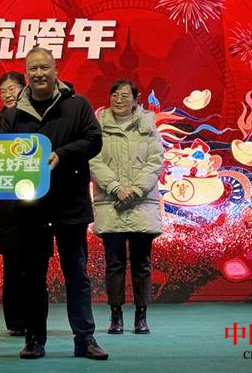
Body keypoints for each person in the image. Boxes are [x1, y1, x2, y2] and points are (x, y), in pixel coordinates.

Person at [0, 48, 108, 360]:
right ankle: (34, 340)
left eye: (44, 68)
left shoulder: (77, 105)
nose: (39, 74)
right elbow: (0, 155)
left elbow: (94, 140)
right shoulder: (13, 115)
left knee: (77, 274)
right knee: (32, 276)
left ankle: (85, 339)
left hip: (70, 204)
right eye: (33, 69)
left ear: (55, 70)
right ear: (26, 73)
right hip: (30, 208)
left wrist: (62, 155)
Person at [90, 79, 164, 335]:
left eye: (124, 95)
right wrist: (115, 188)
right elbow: (94, 161)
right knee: (114, 265)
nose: (119, 100)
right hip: (111, 204)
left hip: (141, 205)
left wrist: (135, 190)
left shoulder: (148, 126)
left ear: (136, 99)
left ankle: (141, 317)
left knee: (142, 264)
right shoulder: (98, 126)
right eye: (114, 95)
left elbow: (155, 161)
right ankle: (116, 316)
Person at [0, 71, 27, 336]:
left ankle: (35, 320)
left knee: (33, 264)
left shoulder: (35, 117)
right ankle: (15, 322)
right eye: (3, 91)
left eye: (13, 89)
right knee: (11, 265)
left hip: (34, 201)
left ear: (24, 89)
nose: (8, 94)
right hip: (6, 203)